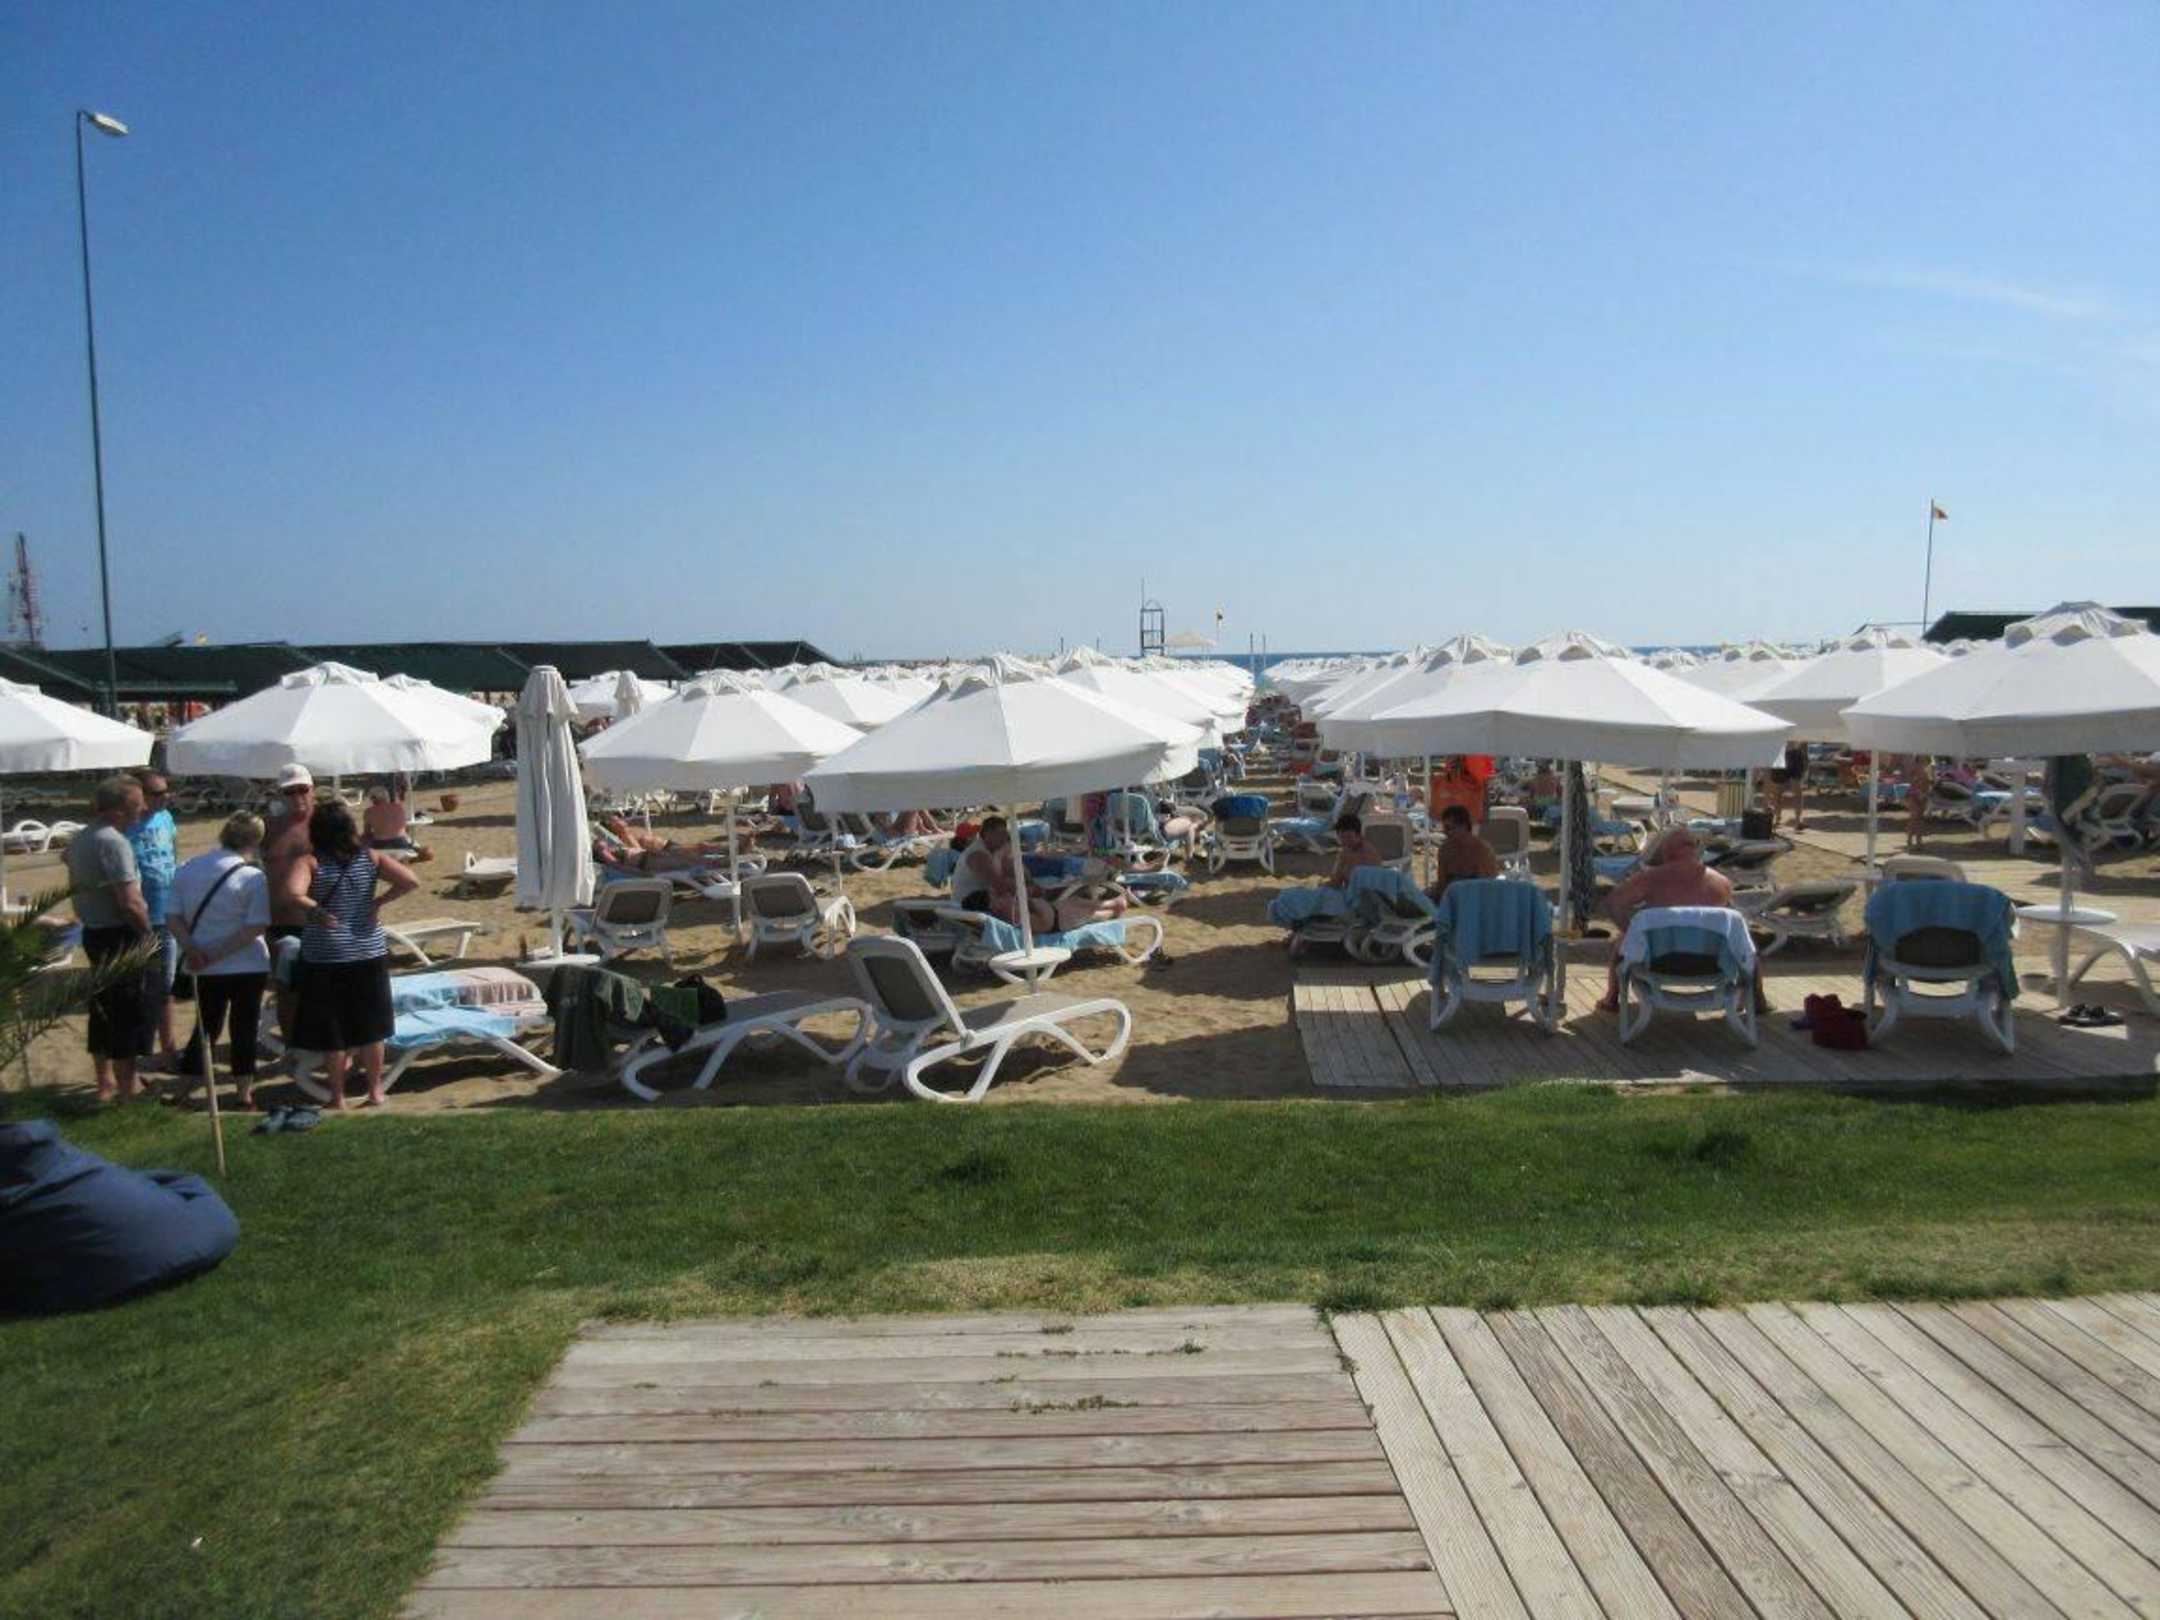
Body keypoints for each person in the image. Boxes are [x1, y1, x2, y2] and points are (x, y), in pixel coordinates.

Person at [282, 801, 419, 1109]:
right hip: (368, 950)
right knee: (372, 1029)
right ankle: (375, 1091)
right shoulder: (369, 857)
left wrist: (316, 910)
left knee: (334, 1032)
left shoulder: (311, 861)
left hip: (326, 955)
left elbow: (292, 893)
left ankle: (337, 1096)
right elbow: (411, 881)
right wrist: (378, 902)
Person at [1594, 825, 1765, 1014]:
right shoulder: (1721, 882)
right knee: (1747, 942)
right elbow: (1734, 929)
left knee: (1623, 940)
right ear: (1695, 850)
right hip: (1713, 963)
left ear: (1667, 852)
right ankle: (1758, 1000)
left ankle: (1612, 998)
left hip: (1658, 960)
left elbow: (1612, 903)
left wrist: (1630, 931)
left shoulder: (1650, 878)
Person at [168, 813, 272, 1111]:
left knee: (205, 1028)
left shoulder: (188, 868)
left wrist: (192, 949)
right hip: (247, 964)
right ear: (256, 841)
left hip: (204, 963)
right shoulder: (252, 877)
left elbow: (173, 916)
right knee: (244, 1029)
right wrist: (217, 953)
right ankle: (243, 1094)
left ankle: (184, 1089)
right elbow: (255, 926)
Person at [66, 776, 155, 1103]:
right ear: (118, 810)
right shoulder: (113, 842)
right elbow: (129, 901)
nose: (144, 809)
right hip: (118, 935)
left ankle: (104, 1083)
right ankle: (128, 1090)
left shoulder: (83, 837)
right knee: (126, 1013)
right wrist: (148, 935)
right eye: (138, 804)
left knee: (102, 1010)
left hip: (94, 932)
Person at [127, 769, 182, 1072]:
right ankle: (148, 1051)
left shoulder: (166, 818)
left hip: (168, 912)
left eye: (166, 791)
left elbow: (173, 854)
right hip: (140, 917)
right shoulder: (126, 825)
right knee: (149, 987)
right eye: (158, 793)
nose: (166, 797)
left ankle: (167, 1049)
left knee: (165, 986)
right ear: (140, 795)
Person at [262, 764, 318, 1038]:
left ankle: (321, 1043)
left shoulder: (326, 823)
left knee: (323, 990)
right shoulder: (268, 828)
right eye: (289, 791)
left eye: (302, 789)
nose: (297, 797)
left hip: (318, 920)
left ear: (312, 789)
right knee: (286, 992)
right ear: (280, 794)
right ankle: (292, 1047)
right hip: (279, 922)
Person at [953, 815, 1056, 935]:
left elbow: (1015, 869)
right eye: (1001, 833)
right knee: (1022, 903)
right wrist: (1029, 890)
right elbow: (999, 885)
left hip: (986, 898)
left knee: (1028, 897)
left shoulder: (994, 850)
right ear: (988, 834)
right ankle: (1039, 928)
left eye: (1005, 833)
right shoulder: (978, 855)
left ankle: (1044, 919)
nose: (1005, 837)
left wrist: (1029, 883)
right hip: (971, 903)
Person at [1427, 804, 1500, 903]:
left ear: (1464, 826)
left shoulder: (1483, 851)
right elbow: (1442, 884)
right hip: (1450, 896)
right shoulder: (1445, 849)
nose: (1446, 833)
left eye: (1449, 828)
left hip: (1476, 898)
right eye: (1444, 829)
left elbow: (1486, 887)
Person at [362, 785, 427, 860]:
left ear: (373, 799)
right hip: (401, 846)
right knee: (405, 836)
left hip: (381, 846)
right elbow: (404, 828)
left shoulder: (369, 812)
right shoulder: (399, 807)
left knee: (364, 839)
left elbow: (367, 833)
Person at [1323, 814, 1383, 888]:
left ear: (1359, 835)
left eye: (1349, 837)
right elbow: (1336, 879)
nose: (1345, 841)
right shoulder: (1347, 849)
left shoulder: (1367, 854)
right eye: (1342, 837)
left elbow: (1348, 880)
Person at [1770, 740, 1809, 831]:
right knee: (1778, 791)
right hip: (1780, 752)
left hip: (1796, 753)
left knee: (1798, 789)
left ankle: (1798, 820)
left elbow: (1805, 741)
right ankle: (1777, 818)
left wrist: (1805, 760)